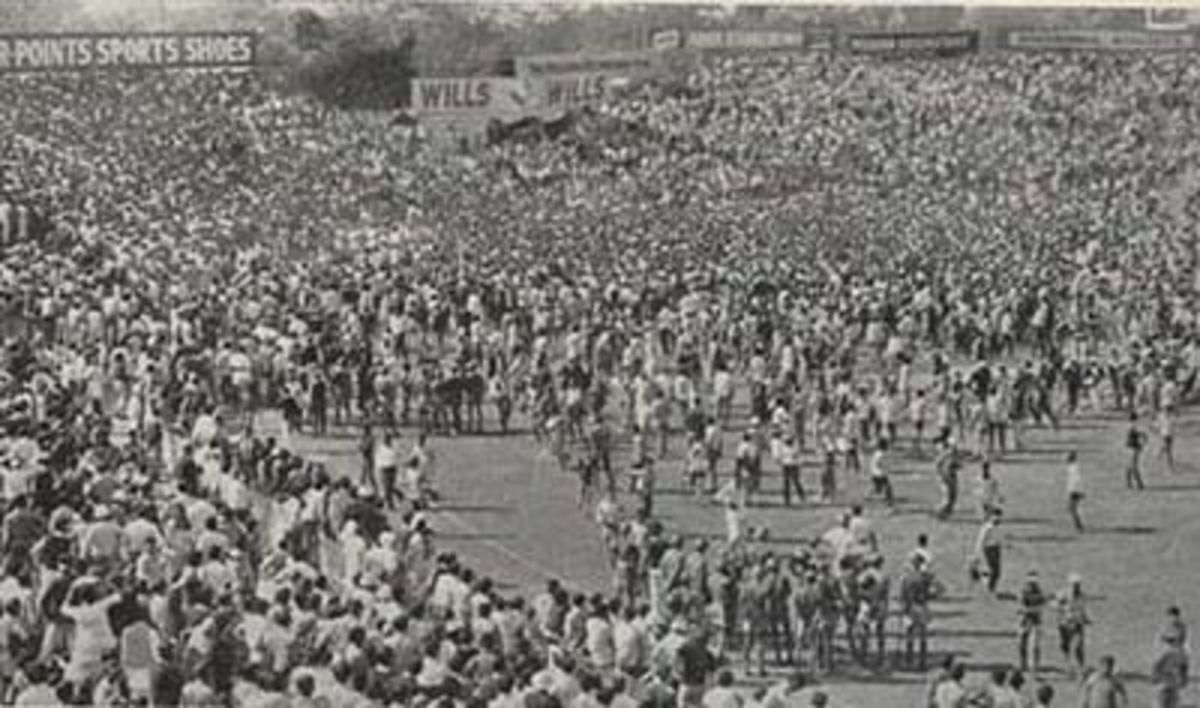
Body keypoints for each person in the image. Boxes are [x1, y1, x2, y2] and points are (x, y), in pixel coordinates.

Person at [1055, 573, 1089, 678]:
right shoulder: (1063, 595)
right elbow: (1056, 606)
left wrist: (1085, 618)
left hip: (1077, 624)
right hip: (1064, 624)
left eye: (1078, 585)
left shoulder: (1082, 596)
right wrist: (1063, 609)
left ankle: (1081, 668)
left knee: (1078, 647)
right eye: (1074, 585)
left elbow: (1082, 609)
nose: (1076, 587)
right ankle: (1068, 667)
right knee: (1065, 647)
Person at [973, 510, 1005, 595]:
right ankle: (990, 588)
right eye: (995, 516)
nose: (997, 518)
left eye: (999, 516)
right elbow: (981, 540)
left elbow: (999, 537)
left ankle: (989, 584)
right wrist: (977, 553)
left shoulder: (999, 527)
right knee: (994, 570)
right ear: (991, 517)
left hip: (996, 548)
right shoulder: (987, 527)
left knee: (997, 571)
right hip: (989, 548)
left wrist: (1002, 545)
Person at [1152, 636, 1189, 708]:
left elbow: (1183, 669)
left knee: (1168, 702)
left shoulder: (1178, 654)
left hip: (1169, 685)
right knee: (1167, 702)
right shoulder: (1177, 654)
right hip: (1168, 685)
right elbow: (1157, 667)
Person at [1125, 413, 1146, 491]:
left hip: (1131, 447)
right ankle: (1139, 483)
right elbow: (1134, 435)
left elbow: (1135, 435)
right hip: (1133, 447)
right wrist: (1142, 435)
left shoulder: (1132, 426)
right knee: (1133, 466)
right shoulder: (1132, 426)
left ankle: (1129, 483)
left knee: (1130, 465)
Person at [1065, 451, 1085, 532]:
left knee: (1072, 509)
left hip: (1074, 491)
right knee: (1073, 509)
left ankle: (1079, 526)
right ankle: (1078, 525)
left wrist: (1077, 491)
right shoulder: (1073, 467)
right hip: (1074, 490)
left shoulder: (1073, 468)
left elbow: (1076, 480)